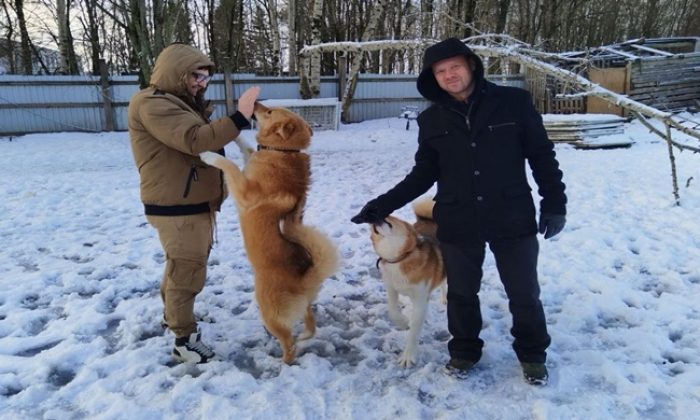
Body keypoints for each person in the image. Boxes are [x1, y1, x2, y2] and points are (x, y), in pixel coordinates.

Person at [351, 37, 566, 385]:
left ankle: (532, 355)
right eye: (440, 71)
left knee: (523, 293)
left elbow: (542, 155)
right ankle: (464, 351)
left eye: (455, 67)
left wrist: (555, 202)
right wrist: (381, 206)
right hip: (458, 218)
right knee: (462, 294)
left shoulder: (513, 103)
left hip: (511, 215)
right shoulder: (432, 120)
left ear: (471, 66)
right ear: (433, 78)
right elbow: (423, 174)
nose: (449, 75)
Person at [128, 43, 260, 363]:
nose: (202, 83)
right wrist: (241, 115)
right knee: (188, 268)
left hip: (189, 202)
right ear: (177, 73)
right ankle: (184, 340)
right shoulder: (153, 103)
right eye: (196, 76)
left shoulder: (178, 102)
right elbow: (197, 140)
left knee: (181, 264)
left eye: (206, 78)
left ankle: (173, 316)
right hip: (177, 206)